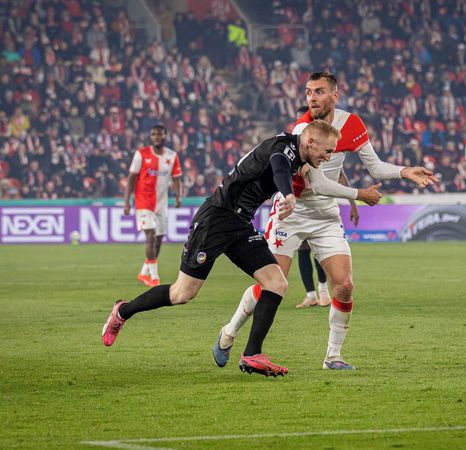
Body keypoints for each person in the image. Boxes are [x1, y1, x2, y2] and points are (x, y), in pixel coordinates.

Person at [101, 120, 383, 377]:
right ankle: (123, 311)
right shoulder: (283, 150)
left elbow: (304, 177)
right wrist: (287, 194)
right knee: (181, 294)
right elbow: (279, 166)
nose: (329, 156)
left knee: (276, 283)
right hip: (215, 220)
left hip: (240, 224)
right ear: (310, 142)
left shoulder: (299, 153)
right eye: (327, 150)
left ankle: (252, 354)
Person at [213, 72, 437, 370]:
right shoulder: (304, 129)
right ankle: (229, 331)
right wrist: (359, 195)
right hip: (292, 212)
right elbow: (316, 184)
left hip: (326, 215)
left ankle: (333, 356)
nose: (312, 98)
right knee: (271, 283)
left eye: (318, 92)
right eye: (308, 92)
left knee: (344, 285)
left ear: (335, 95)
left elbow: (375, 167)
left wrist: (405, 171)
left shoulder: (351, 123)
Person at [124, 123, 182, 287]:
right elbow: (131, 179)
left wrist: (178, 196)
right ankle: (154, 278)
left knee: (158, 239)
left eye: (160, 134)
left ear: (165, 136)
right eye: (154, 134)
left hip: (161, 204)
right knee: (150, 235)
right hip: (143, 202)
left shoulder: (172, 156)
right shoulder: (141, 154)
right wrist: (127, 201)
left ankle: (144, 273)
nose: (157, 137)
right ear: (151, 137)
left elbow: (176, 178)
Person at [296, 170, 359, 308]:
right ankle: (314, 295)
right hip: (303, 207)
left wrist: (353, 204)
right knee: (305, 249)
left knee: (316, 249)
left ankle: (321, 292)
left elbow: (341, 175)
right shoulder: (304, 157)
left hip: (319, 207)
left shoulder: (324, 159)